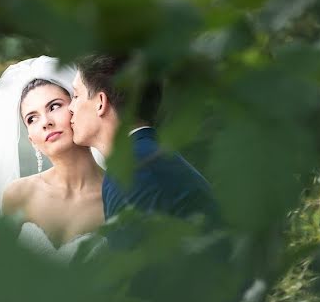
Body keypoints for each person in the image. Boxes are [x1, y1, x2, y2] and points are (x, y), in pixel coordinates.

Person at [0, 55, 105, 260]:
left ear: (75, 109)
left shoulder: (117, 193)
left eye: (54, 106)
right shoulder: (19, 195)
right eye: (32, 119)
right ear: (32, 139)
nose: (45, 122)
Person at [68, 53, 217, 227]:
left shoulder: (134, 171)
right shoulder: (149, 158)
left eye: (76, 96)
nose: (70, 108)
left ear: (100, 102)